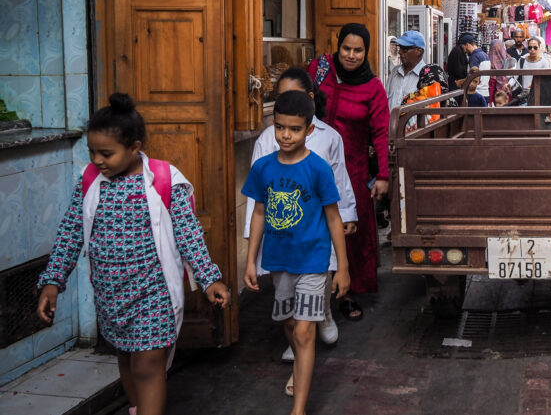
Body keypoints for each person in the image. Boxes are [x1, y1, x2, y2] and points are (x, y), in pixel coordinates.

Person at [37, 93, 230, 415]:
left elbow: (188, 233)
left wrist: (210, 279)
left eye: (107, 153)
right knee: (126, 360)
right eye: (92, 152)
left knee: (147, 365)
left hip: (152, 292)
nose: (97, 160)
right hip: (111, 294)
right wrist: (53, 281)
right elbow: (71, 232)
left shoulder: (163, 180)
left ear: (135, 148)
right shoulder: (90, 181)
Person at [243, 91, 350, 412]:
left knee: (304, 332)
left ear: (309, 130)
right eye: (279, 128)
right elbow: (259, 212)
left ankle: (299, 409)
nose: (285, 135)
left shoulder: (318, 169)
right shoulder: (263, 168)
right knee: (290, 325)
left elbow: (333, 217)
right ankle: (300, 366)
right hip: (279, 260)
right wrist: (250, 260)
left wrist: (342, 267)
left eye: (294, 129)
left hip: (314, 260)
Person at [307, 23, 389, 321]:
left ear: (366, 52)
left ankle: (347, 290)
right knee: (313, 228)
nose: (351, 55)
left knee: (349, 231)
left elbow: (380, 133)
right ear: (337, 46)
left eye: (358, 50)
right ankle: (314, 293)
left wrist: (382, 175)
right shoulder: (319, 69)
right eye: (346, 49)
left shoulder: (373, 87)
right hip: (310, 165)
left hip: (352, 171)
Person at [386, 30, 427, 110]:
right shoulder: (395, 72)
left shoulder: (427, 76)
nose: (400, 52)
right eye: (400, 48)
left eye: (405, 49)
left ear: (419, 51)